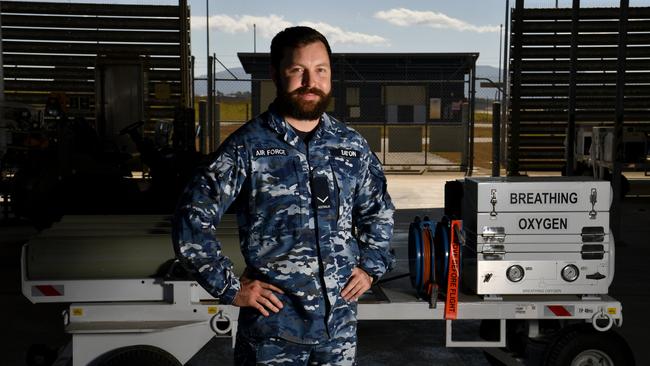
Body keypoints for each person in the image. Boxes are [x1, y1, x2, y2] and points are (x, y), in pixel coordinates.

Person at [172, 26, 394, 365]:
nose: (310, 81)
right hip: (273, 332)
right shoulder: (248, 146)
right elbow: (192, 218)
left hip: (338, 333)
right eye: (297, 70)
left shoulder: (350, 145)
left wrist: (370, 267)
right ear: (276, 74)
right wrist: (230, 288)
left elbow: (378, 210)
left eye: (320, 70)